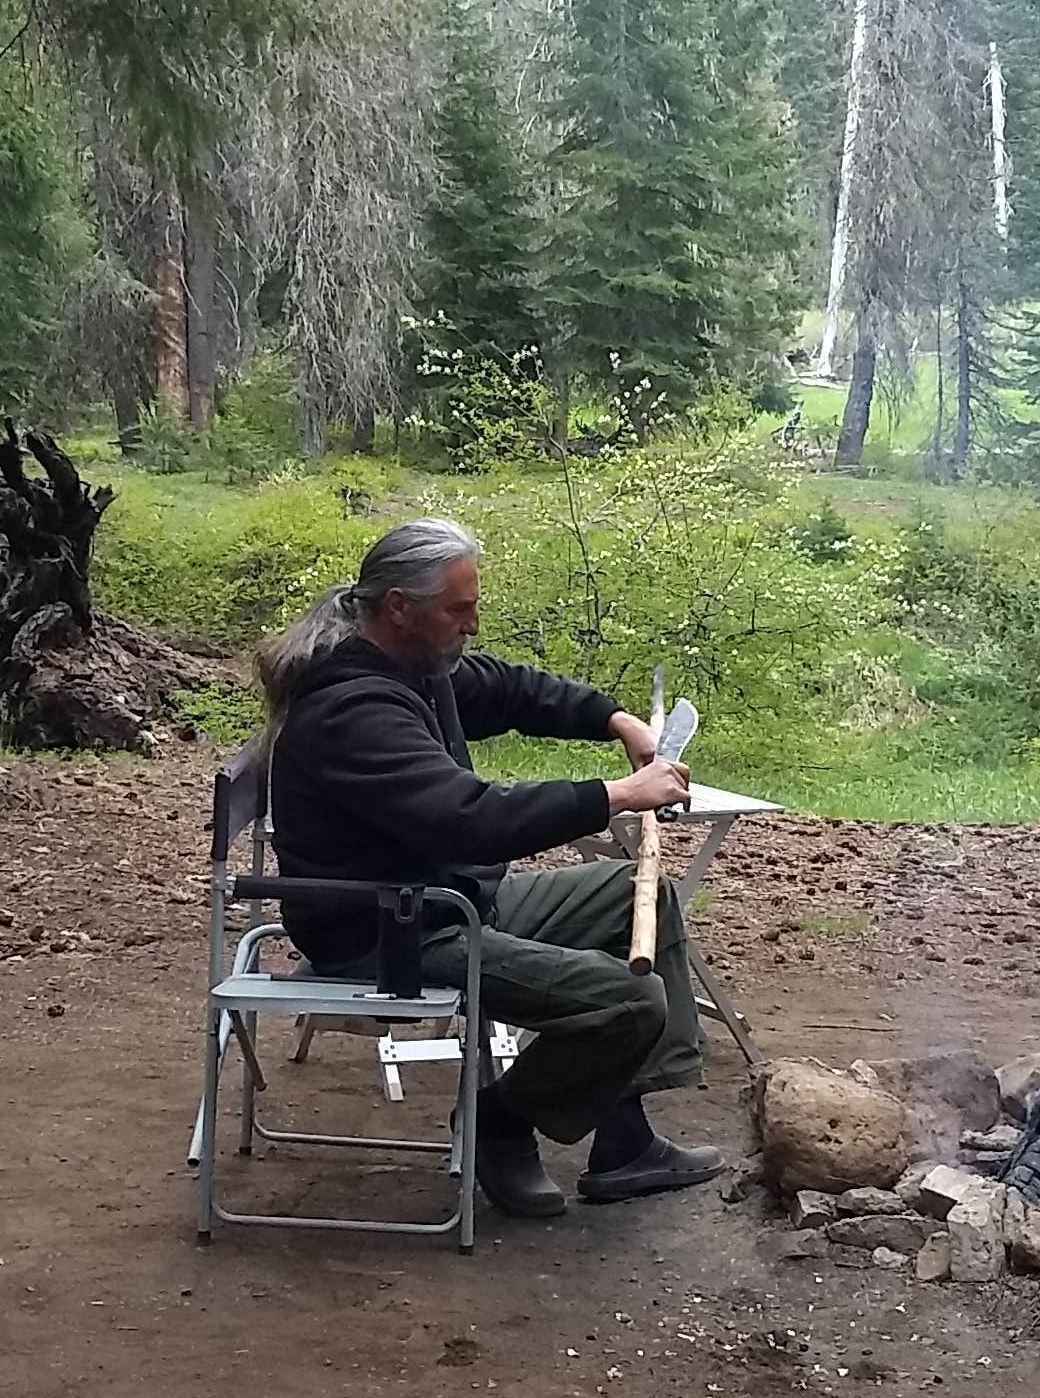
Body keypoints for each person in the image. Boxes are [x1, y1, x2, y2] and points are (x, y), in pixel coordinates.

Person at [255, 517, 725, 1220]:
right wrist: (618, 797)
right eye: (459, 609)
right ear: (399, 609)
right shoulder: (354, 709)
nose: (472, 625)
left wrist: (617, 721)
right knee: (630, 1000)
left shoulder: (413, 665)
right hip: (390, 934)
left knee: (638, 893)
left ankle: (623, 1143)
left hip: (446, 901)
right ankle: (499, 1120)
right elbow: (468, 817)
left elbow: (509, 690)